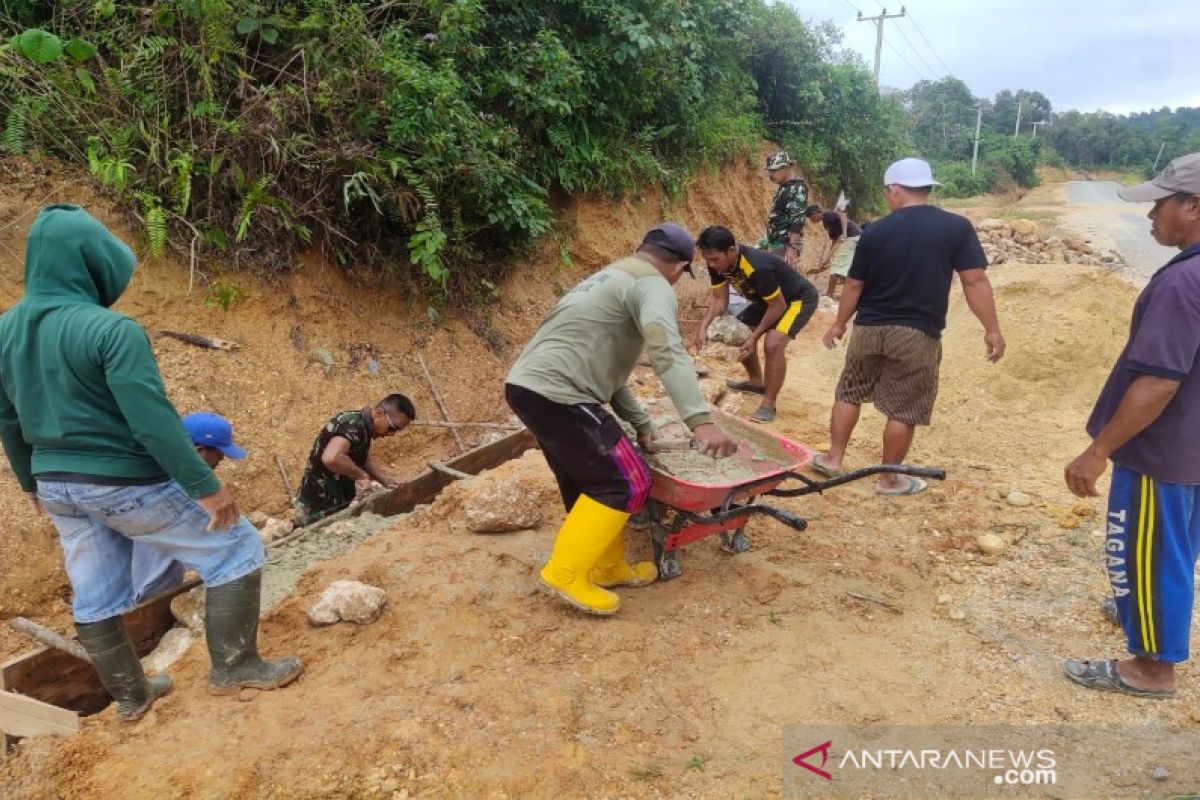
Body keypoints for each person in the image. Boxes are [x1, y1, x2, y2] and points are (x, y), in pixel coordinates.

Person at [0, 206, 301, 723]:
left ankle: (132, 697)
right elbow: (151, 420)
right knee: (236, 549)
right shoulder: (112, 330)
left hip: (56, 486)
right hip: (122, 480)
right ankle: (235, 666)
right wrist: (205, 485)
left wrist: (31, 481)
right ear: (91, 263)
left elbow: (7, 417)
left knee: (95, 595)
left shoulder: (4, 331)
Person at [506, 222, 737, 616]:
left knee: (589, 478)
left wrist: (642, 425)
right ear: (680, 267)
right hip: (562, 392)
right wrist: (701, 421)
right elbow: (666, 351)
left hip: (528, 386)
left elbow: (609, 374)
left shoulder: (609, 276)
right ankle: (565, 572)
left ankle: (607, 566)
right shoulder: (654, 285)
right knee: (627, 480)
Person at [1062, 153, 1200, 699]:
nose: (1151, 217)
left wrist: (1097, 451)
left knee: (1145, 549)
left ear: (1192, 207)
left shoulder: (1182, 282)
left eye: (1160, 204)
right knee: (1173, 549)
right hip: (1192, 451)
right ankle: (1141, 607)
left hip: (1160, 451)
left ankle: (1150, 668)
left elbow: (1159, 382)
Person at [814, 158, 1005, 495]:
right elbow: (974, 281)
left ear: (895, 189)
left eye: (887, 192)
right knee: (903, 407)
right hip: (917, 334)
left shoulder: (875, 231)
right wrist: (991, 329)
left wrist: (839, 324)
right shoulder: (955, 227)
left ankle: (832, 458)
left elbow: (854, 285)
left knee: (849, 392)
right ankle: (889, 480)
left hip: (868, 329)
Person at [693, 225, 820, 424]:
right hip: (767, 301)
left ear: (731, 250)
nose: (711, 264)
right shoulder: (716, 265)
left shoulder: (756, 265)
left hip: (797, 299)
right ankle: (756, 382)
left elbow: (778, 306)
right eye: (707, 259)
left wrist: (755, 336)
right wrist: (703, 327)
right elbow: (719, 300)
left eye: (715, 259)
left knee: (773, 344)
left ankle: (769, 404)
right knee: (736, 333)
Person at [131, 411, 249, 603]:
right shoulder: (173, 490)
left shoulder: (160, 471)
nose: (222, 458)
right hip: (151, 594)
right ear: (199, 450)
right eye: (219, 452)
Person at [293, 395, 415, 526]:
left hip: (330, 505)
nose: (391, 434)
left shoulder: (362, 425)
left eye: (397, 431)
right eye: (392, 428)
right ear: (379, 413)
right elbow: (331, 457)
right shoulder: (355, 427)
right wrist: (360, 475)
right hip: (317, 509)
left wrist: (385, 480)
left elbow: (361, 455)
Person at [803, 203, 862, 299]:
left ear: (814, 213)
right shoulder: (826, 223)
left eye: (810, 217)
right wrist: (827, 258)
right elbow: (834, 240)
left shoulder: (827, 215)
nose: (810, 220)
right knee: (842, 265)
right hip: (853, 239)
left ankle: (829, 295)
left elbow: (842, 215)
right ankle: (847, 293)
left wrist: (844, 232)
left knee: (836, 266)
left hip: (852, 237)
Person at [765, 151, 809, 266]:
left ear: (786, 168)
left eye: (774, 170)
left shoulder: (797, 188)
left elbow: (797, 221)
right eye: (770, 171)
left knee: (783, 279)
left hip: (785, 244)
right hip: (777, 242)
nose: (771, 174)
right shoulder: (784, 187)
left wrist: (792, 248)